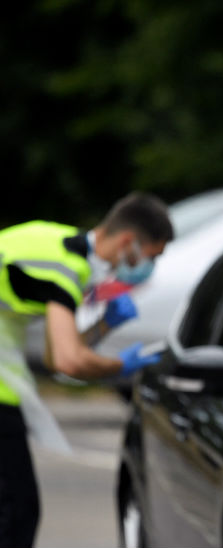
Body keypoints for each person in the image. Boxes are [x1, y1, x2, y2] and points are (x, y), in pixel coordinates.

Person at [0, 192, 173, 548]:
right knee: (17, 511)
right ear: (129, 242)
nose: (148, 269)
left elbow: (55, 354)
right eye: (151, 257)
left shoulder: (54, 244)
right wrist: (120, 366)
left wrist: (105, 326)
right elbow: (68, 361)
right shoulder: (66, 268)